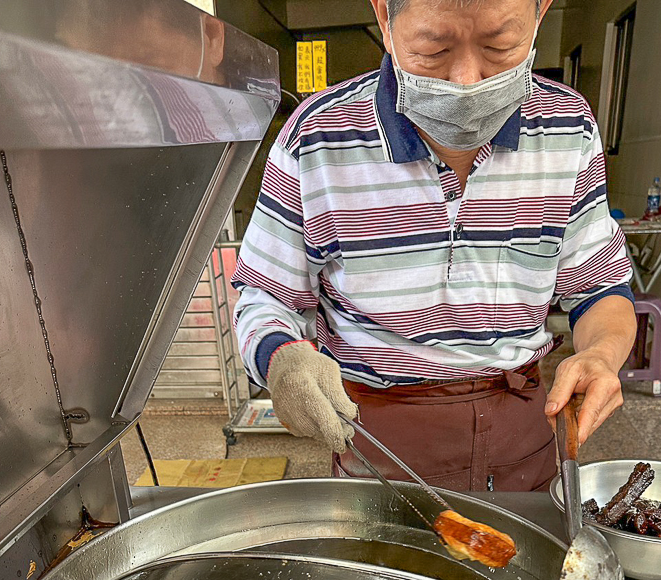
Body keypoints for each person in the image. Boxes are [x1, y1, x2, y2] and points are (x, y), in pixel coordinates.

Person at [233, 0, 636, 492]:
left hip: (523, 431)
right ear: (384, 16)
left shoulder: (568, 128)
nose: (466, 80)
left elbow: (601, 290)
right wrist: (282, 357)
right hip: (376, 440)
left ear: (540, 11)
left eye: (499, 46)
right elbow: (264, 298)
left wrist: (602, 353)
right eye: (433, 50)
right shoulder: (316, 137)